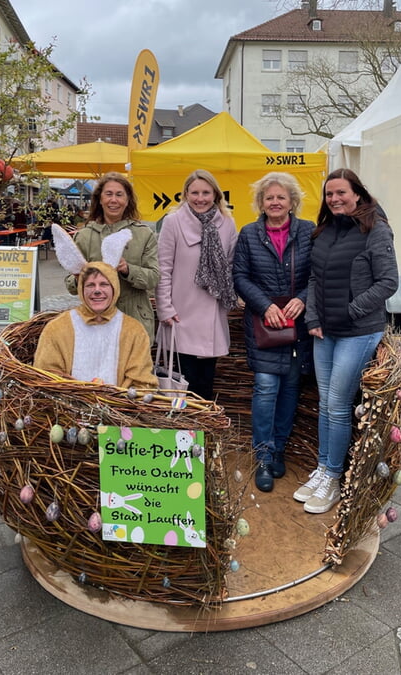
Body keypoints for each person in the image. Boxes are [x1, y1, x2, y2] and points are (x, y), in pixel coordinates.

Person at [294, 168, 398, 514]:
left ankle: (334, 478)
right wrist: (312, 317)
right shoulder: (324, 232)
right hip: (324, 330)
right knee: (326, 402)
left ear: (357, 194)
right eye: (329, 194)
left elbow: (387, 282)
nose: (335, 199)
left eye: (341, 193)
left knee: (338, 404)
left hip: (358, 331)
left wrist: (350, 311)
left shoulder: (375, 229)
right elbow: (313, 278)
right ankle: (323, 468)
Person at [232, 172, 314, 493]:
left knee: (291, 386)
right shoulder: (249, 233)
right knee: (266, 388)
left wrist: (302, 300)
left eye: (281, 197)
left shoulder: (308, 232)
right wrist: (264, 305)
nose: (275, 202)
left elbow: (319, 275)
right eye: (269, 198)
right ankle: (263, 456)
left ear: (293, 202)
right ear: (261, 203)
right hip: (264, 324)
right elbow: (240, 276)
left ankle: (279, 448)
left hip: (298, 325)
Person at [35, 226, 157, 390]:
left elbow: (142, 382)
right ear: (81, 289)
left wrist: (114, 400)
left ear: (114, 288)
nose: (97, 290)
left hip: (117, 410)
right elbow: (46, 376)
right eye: (90, 285)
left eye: (104, 284)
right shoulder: (57, 329)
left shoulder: (134, 331)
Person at [155, 169, 238, 401]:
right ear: (185, 194)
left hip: (212, 316)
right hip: (180, 317)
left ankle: (201, 436)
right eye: (195, 192)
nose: (200, 198)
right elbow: (163, 269)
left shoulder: (227, 224)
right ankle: (182, 435)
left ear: (216, 195)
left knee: (205, 385)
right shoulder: (173, 222)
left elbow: (230, 267)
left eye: (206, 192)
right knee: (182, 388)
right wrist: (165, 308)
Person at [65, 172, 159, 342]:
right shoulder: (85, 236)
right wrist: (79, 278)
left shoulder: (144, 235)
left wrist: (128, 269)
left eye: (119, 194)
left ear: (128, 200)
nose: (113, 200)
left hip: (135, 319)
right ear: (100, 199)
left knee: (135, 367)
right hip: (95, 321)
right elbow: (71, 287)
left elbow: (153, 278)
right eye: (108, 194)